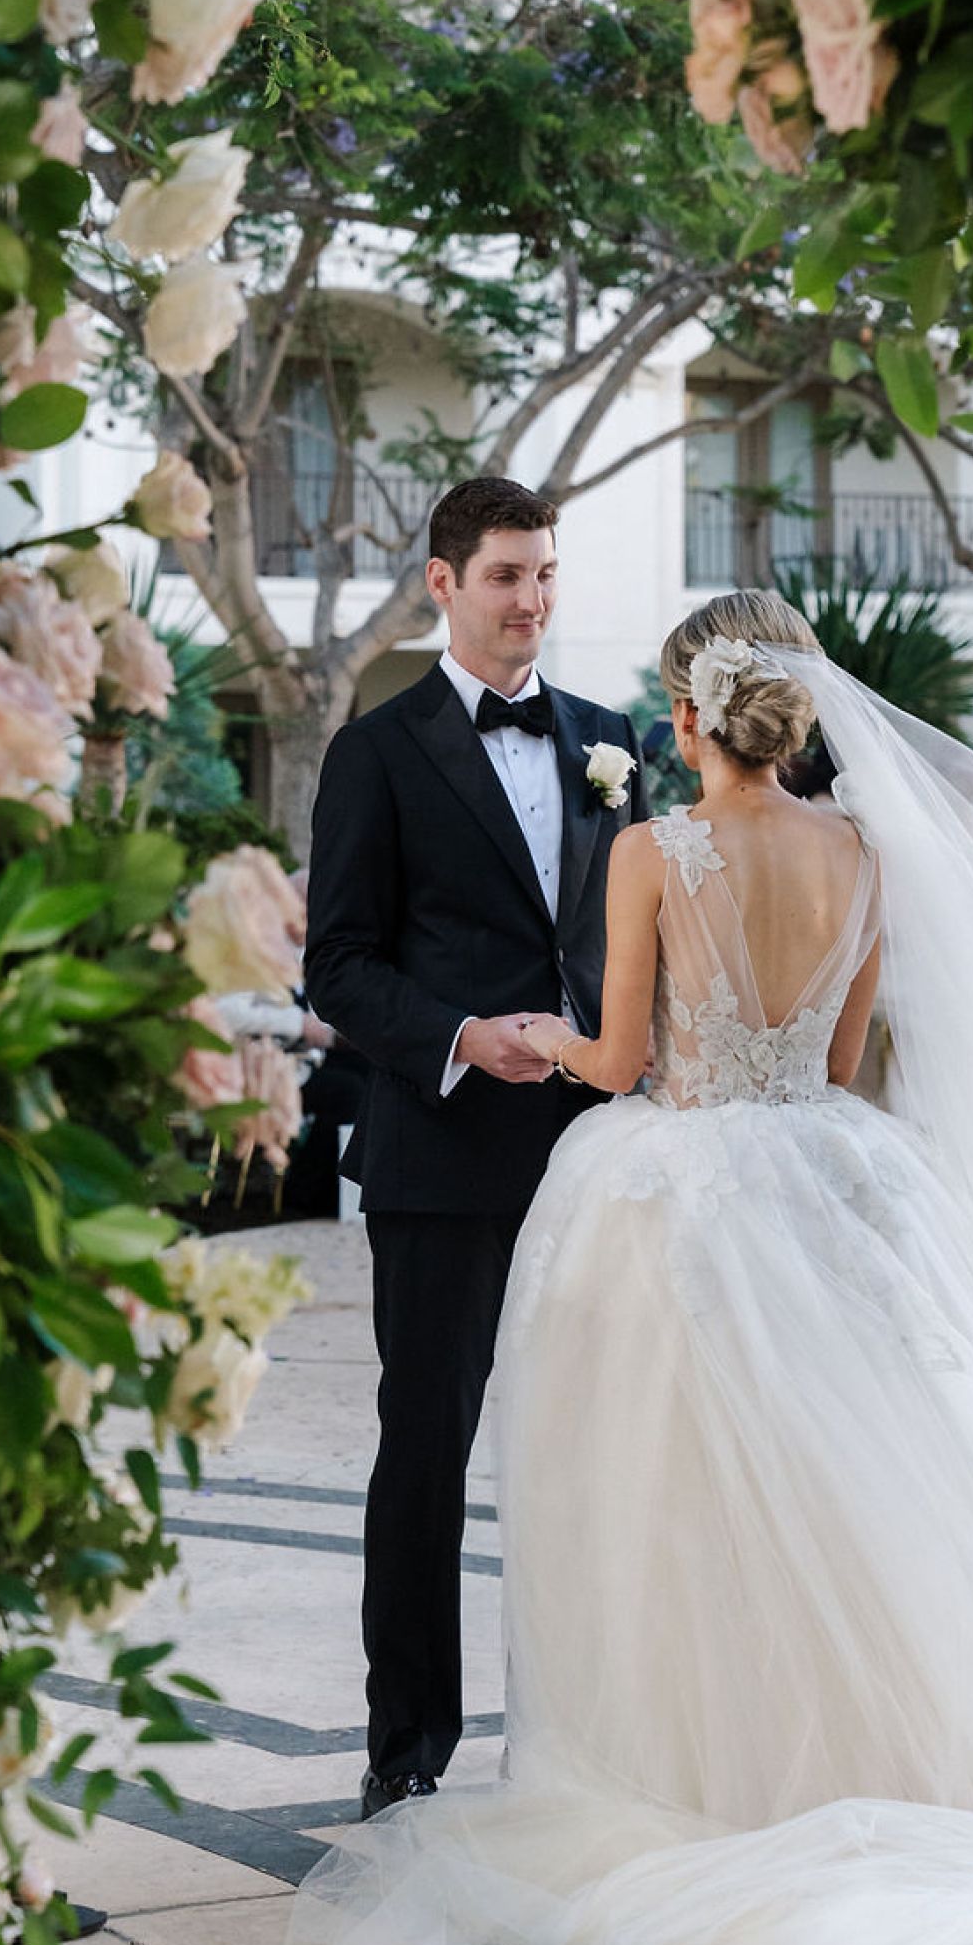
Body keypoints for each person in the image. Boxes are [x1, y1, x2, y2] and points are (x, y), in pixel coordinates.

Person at [294, 588, 973, 1945]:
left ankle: (708, 1787)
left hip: (682, 1194)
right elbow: (844, 1057)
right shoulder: (865, 851)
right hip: (839, 1179)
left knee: (681, 1510)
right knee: (852, 1487)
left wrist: (533, 1042)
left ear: (687, 712)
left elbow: (629, 1055)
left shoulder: (654, 851)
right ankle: (860, 1767)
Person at [303, 476, 646, 1822]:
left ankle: (598, 1742)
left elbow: (631, 947)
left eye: (546, 573)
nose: (533, 601)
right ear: (443, 584)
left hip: (599, 1156)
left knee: (602, 1451)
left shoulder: (613, 742)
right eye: (507, 575)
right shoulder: (374, 753)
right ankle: (408, 1751)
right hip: (443, 1155)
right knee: (427, 1448)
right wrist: (459, 1034)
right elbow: (337, 966)